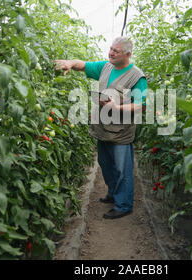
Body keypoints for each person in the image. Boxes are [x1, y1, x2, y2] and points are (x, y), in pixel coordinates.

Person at [54, 37, 147, 219]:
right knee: (105, 164)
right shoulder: (106, 67)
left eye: (116, 51)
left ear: (128, 54)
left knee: (122, 168)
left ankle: (124, 205)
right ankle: (113, 193)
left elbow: (141, 105)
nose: (111, 53)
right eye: (111, 49)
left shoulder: (137, 76)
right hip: (103, 128)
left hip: (121, 131)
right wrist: (70, 64)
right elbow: (84, 65)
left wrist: (117, 107)